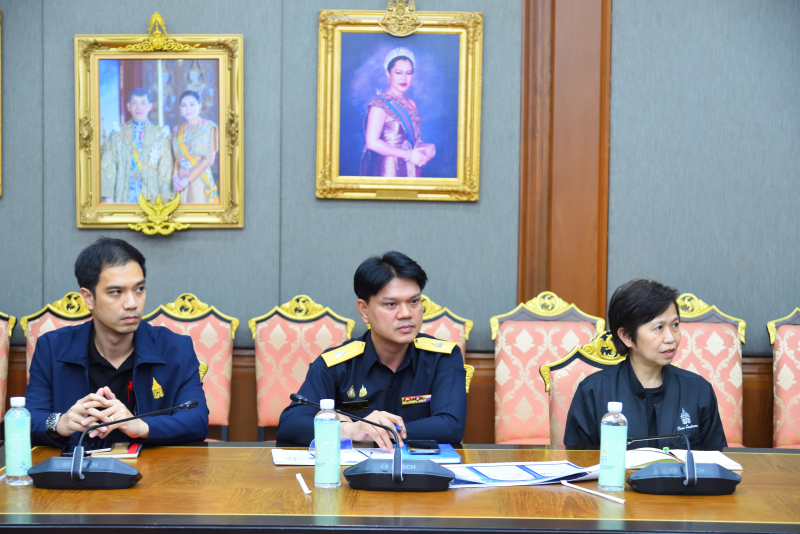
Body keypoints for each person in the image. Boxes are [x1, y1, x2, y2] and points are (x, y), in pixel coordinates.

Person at [26, 238, 209, 447]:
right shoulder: (51, 349)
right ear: (88, 298)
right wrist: (60, 423)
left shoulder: (176, 349)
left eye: (139, 289)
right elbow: (28, 420)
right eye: (116, 292)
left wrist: (142, 426)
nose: (132, 303)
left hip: (150, 465)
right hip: (75, 465)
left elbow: (197, 421)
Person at [276, 252, 466, 448]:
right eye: (391, 304)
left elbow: (451, 426)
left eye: (414, 302)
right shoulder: (336, 365)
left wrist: (381, 431)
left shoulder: (442, 358)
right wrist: (350, 430)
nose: (406, 314)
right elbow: (290, 425)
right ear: (364, 310)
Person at [564, 279, 727, 450]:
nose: (671, 338)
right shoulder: (592, 392)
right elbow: (579, 461)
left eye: (675, 325)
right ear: (627, 336)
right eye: (659, 328)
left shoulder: (699, 390)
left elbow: (718, 459)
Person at [360, 47, 435, 178]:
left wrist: (424, 151)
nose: (404, 78)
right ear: (388, 74)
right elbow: (372, 143)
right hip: (389, 168)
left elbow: (415, 139)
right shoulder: (379, 104)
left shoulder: (411, 104)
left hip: (412, 165)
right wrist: (408, 155)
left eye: (409, 73)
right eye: (398, 72)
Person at [100, 88, 174, 204]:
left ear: (149, 106)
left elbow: (165, 173)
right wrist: (109, 199)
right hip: (123, 196)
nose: (139, 107)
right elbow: (108, 168)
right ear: (128, 106)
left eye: (143, 102)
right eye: (134, 103)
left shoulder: (160, 135)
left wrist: (166, 202)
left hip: (152, 198)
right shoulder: (117, 134)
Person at [170, 90, 220, 204]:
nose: (188, 109)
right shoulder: (176, 129)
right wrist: (175, 177)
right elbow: (177, 158)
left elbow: (208, 160)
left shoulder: (208, 127)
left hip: (198, 181)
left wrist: (187, 180)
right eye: (184, 105)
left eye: (192, 104)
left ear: (199, 106)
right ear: (180, 108)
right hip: (179, 184)